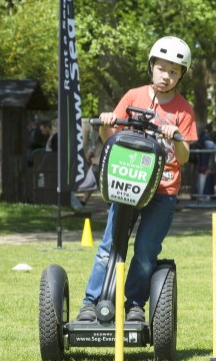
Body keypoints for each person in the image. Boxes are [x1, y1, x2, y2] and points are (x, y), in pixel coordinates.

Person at [76, 36, 197, 322]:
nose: (166, 76)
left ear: (181, 76)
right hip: (128, 184)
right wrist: (106, 125)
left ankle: (134, 306)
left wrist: (173, 137)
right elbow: (111, 141)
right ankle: (91, 303)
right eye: (162, 68)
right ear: (151, 67)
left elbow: (184, 157)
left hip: (163, 190)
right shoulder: (133, 96)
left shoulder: (183, 110)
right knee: (109, 247)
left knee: (145, 253)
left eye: (173, 71)